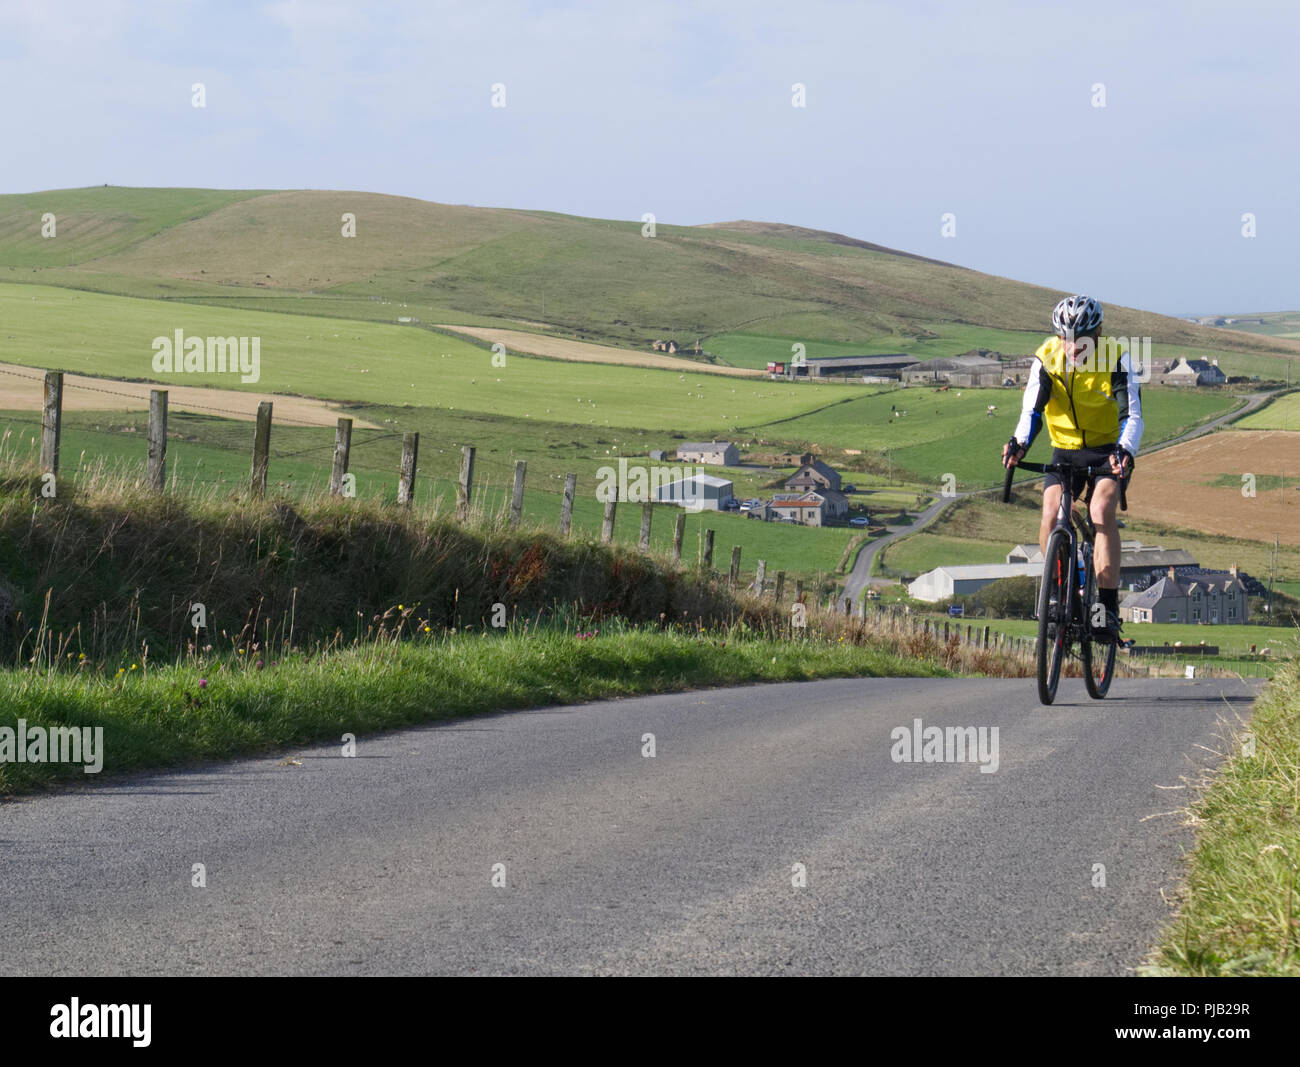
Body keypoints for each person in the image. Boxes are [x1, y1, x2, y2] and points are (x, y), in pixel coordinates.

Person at [1002, 295, 1143, 643]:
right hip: (1064, 451)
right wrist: (1019, 444)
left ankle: (1106, 609)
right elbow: (1032, 411)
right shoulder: (1047, 358)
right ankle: (1055, 595)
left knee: (1100, 511)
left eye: (1081, 338)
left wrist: (1124, 451)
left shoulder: (1116, 359)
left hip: (1106, 452)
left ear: (1097, 335)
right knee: (1051, 516)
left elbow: (1133, 415)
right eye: (1065, 338)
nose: (1072, 346)